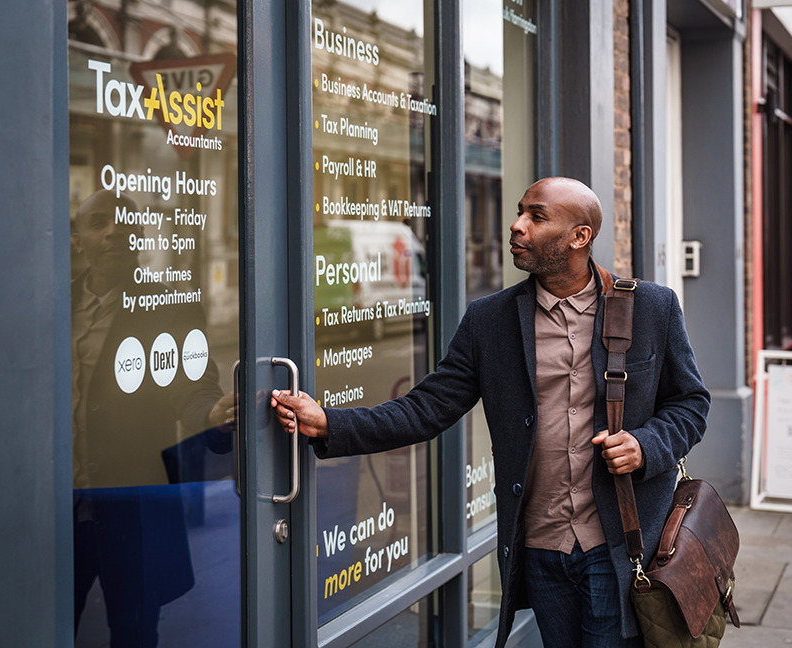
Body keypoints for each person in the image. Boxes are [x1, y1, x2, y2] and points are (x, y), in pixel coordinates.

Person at [271, 177, 710, 648]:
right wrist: (330, 422)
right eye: (520, 212)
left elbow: (690, 403)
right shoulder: (489, 320)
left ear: (579, 237)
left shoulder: (651, 307)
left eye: (536, 216)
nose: (516, 226)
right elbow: (427, 408)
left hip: (620, 543)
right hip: (539, 547)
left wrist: (645, 445)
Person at [71, 189, 234, 646]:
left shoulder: (169, 307)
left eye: (124, 222)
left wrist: (211, 415)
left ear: (140, 235)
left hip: (132, 508)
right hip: (58, 507)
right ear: (78, 240)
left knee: (134, 631)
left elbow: (192, 384)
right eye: (98, 223)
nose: (113, 231)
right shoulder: (50, 305)